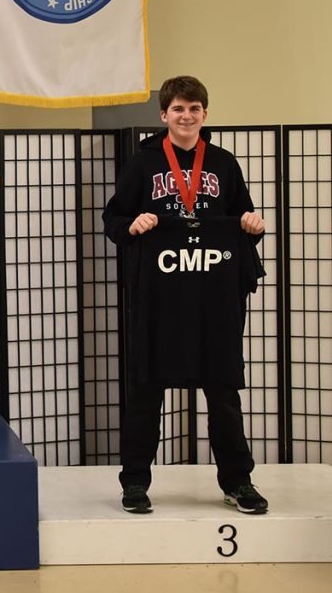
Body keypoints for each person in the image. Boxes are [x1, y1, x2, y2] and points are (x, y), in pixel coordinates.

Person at [103, 76, 268, 514]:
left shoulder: (223, 163)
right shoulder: (142, 164)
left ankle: (238, 481)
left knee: (223, 389)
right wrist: (133, 225)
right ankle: (135, 482)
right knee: (146, 388)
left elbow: (243, 217)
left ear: (205, 115)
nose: (186, 116)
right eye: (178, 109)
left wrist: (252, 225)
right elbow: (114, 219)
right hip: (160, 295)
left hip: (213, 295)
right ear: (163, 115)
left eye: (194, 109)